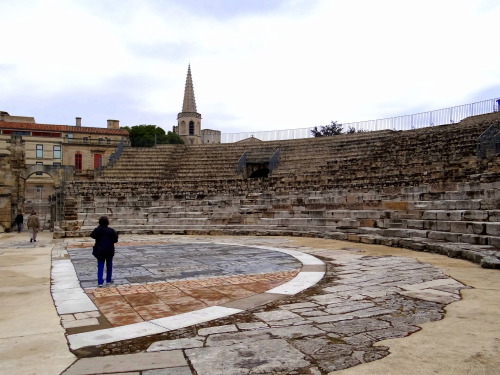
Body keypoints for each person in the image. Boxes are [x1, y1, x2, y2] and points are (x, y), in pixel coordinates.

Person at [90, 216, 118, 287]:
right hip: (109, 250)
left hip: (100, 250)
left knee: (100, 265)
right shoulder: (111, 230)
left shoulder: (97, 230)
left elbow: (92, 235)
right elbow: (115, 240)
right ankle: (108, 280)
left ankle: (100, 282)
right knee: (109, 265)